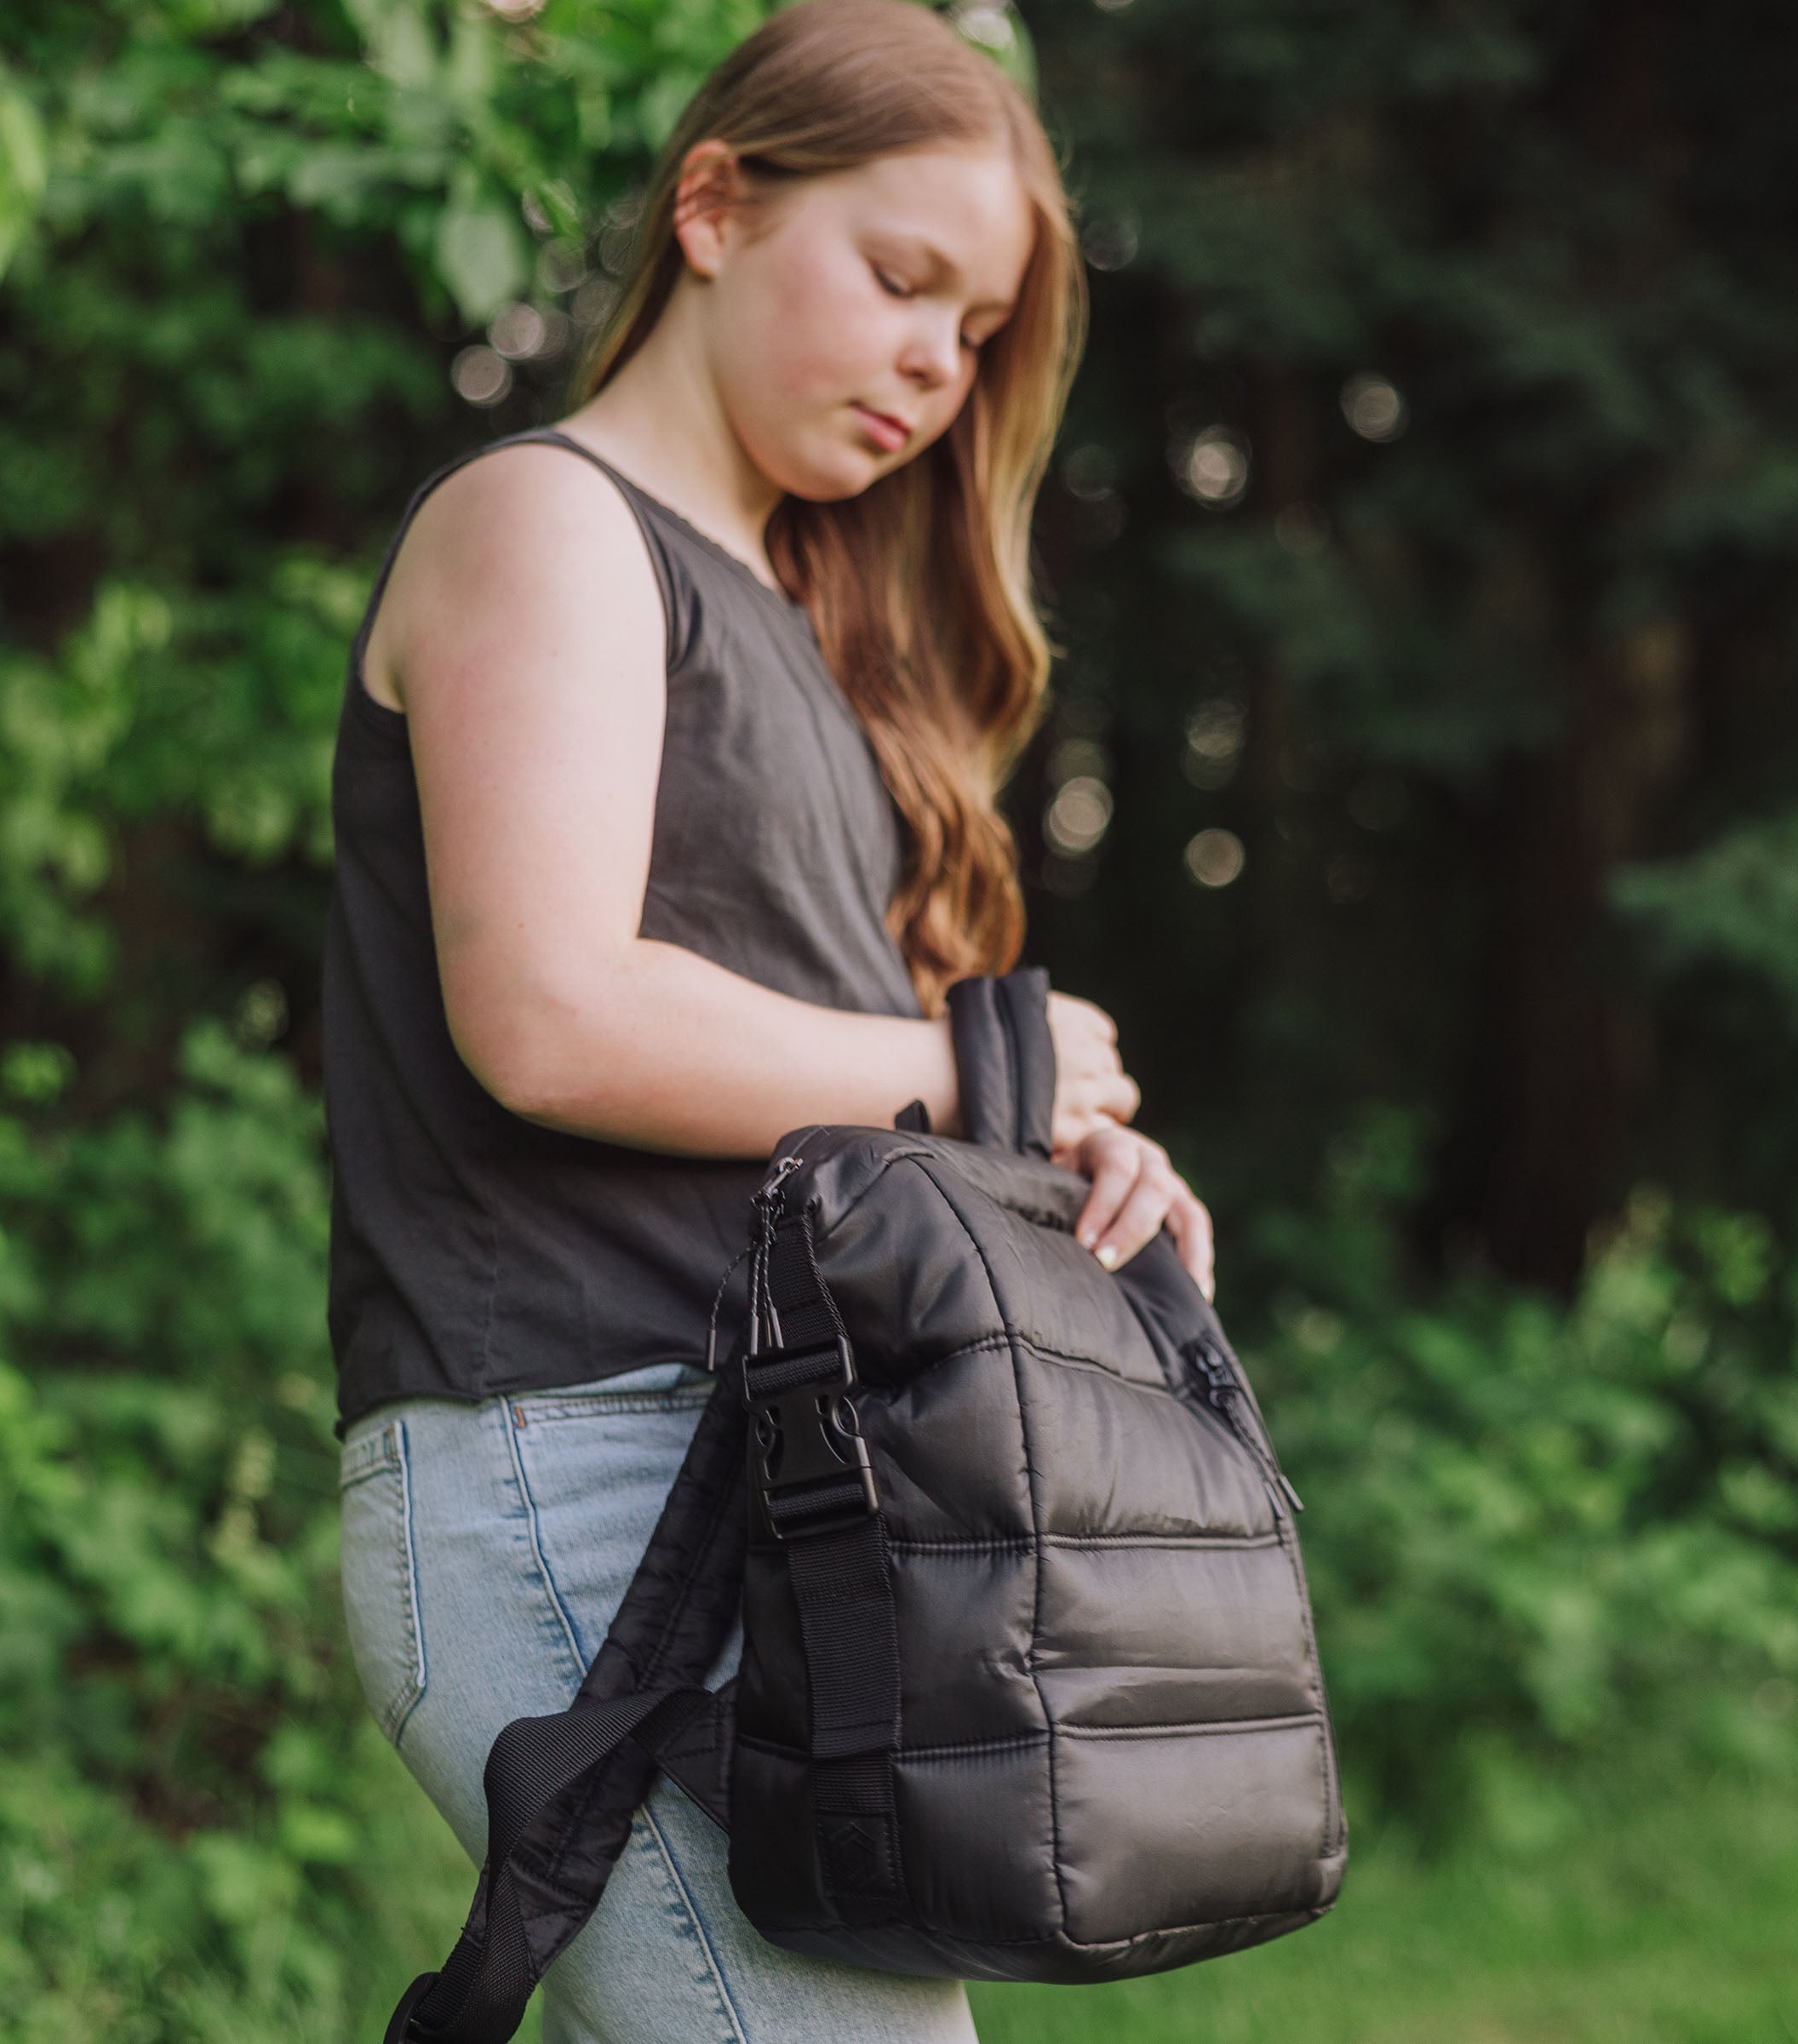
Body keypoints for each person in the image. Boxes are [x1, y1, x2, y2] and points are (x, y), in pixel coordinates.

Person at [323, 4, 1215, 2037]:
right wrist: (969, 1060)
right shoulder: (548, 526)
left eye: (977, 330)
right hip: (574, 1469)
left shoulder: (805, 636)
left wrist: (1053, 1149)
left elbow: (816, 1104)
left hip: (752, 1485)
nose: (936, 359)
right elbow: (545, 1016)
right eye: (902, 279)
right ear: (717, 207)